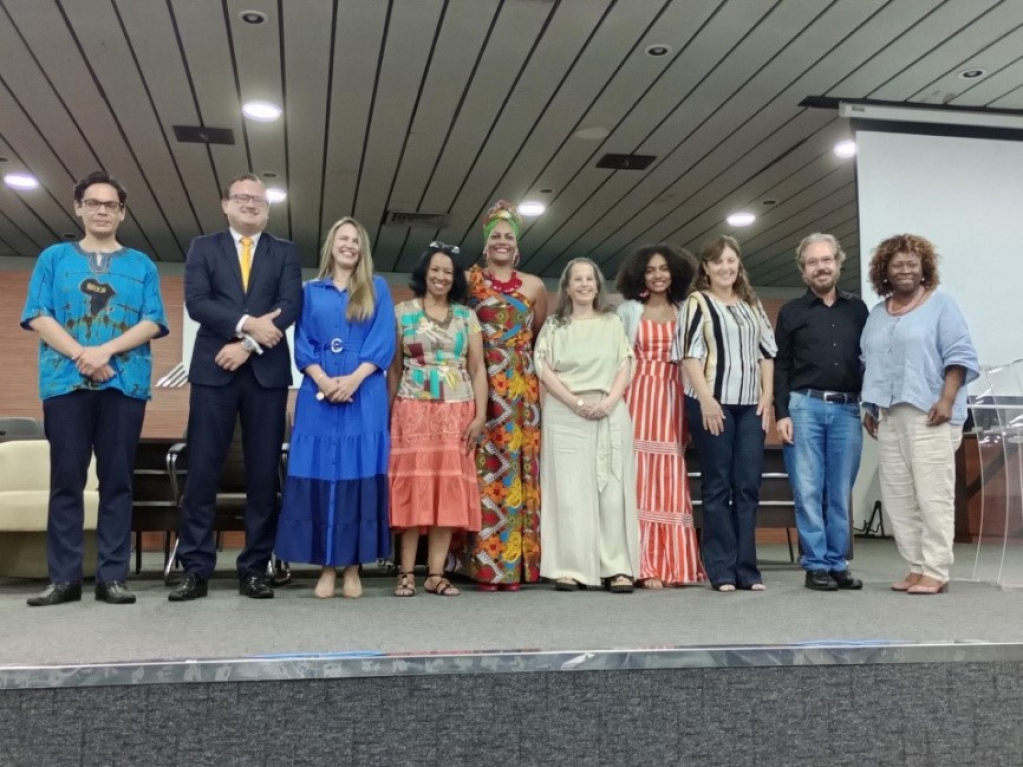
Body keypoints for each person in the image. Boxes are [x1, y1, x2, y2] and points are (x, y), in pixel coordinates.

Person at [20, 170, 168, 607]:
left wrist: (104, 352)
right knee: (66, 480)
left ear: (121, 213)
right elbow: (38, 315)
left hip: (125, 387)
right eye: (94, 203)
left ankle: (112, 577)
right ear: (79, 208)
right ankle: (64, 579)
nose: (102, 210)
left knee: (117, 481)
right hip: (64, 385)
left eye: (111, 205)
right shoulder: (53, 258)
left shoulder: (141, 265)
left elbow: (152, 320)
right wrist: (83, 355)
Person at [170, 173, 302, 601]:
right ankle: (195, 567)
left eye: (259, 200)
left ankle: (255, 568)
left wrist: (246, 344)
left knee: (264, 473)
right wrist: (246, 324)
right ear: (225, 204)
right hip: (214, 373)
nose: (250, 205)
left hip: (265, 374)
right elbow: (198, 302)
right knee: (203, 469)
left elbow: (291, 305)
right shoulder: (203, 248)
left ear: (267, 209)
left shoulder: (284, 251)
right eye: (242, 198)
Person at [275, 218, 394, 599]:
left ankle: (354, 568)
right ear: (331, 245)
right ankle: (326, 568)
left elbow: (383, 341)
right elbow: (303, 343)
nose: (349, 245)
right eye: (342, 238)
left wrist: (353, 380)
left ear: (362, 249)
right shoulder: (309, 291)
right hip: (318, 393)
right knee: (322, 474)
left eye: (355, 240)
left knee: (358, 474)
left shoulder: (377, 288)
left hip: (365, 391)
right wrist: (326, 381)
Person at [861, 234, 978, 595]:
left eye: (913, 263)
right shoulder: (879, 313)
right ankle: (915, 565)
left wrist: (946, 399)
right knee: (898, 497)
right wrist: (869, 406)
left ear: (925, 267)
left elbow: (959, 354)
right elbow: (869, 362)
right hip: (890, 416)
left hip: (931, 414)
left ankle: (936, 569)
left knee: (933, 496)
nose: (906, 270)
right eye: (897, 264)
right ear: (885, 271)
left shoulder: (942, 305)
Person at [678, 235, 776, 593]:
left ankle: (747, 569)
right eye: (717, 261)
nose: (725, 267)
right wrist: (705, 399)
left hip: (751, 404)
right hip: (712, 403)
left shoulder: (751, 303)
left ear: (738, 265)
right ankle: (721, 568)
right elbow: (688, 355)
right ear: (706, 267)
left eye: (731, 260)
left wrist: (767, 396)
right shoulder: (697, 303)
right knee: (717, 484)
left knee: (748, 484)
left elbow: (767, 351)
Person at [388, 243, 487, 597]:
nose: (441, 276)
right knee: (414, 490)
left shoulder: (466, 317)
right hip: (412, 409)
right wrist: (389, 415)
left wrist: (480, 414)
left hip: (456, 411)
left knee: (447, 492)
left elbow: (477, 368)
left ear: (455, 278)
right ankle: (405, 573)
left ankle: (434, 574)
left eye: (448, 271)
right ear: (424, 273)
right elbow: (395, 367)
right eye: (435, 270)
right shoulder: (402, 312)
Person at [535, 258, 638, 593]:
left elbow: (625, 363)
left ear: (597, 285)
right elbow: (543, 368)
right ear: (566, 287)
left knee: (611, 493)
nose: (583, 284)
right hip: (565, 414)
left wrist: (609, 402)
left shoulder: (612, 321)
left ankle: (616, 566)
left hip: (609, 410)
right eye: (576, 279)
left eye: (589, 279)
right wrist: (576, 403)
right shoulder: (554, 325)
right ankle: (569, 567)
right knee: (568, 494)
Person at [774, 234, 869, 592]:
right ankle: (816, 564)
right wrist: (781, 413)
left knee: (840, 489)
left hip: (847, 409)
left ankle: (838, 563)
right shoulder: (792, 312)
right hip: (803, 407)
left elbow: (868, 360)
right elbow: (780, 365)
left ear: (838, 263)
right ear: (803, 270)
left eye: (827, 259)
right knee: (808, 489)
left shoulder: (857, 310)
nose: (821, 267)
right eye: (812, 262)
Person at [465, 200, 547, 591]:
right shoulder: (468, 282)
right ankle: (481, 566)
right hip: (480, 384)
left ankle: (514, 566)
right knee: (481, 474)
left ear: (517, 246)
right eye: (494, 236)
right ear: (485, 245)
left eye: (508, 237)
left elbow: (540, 331)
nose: (501, 241)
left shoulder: (534, 285)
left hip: (520, 391)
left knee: (516, 472)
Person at [615, 244, 704, 588]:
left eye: (663, 269)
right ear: (640, 275)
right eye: (650, 270)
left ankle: (674, 564)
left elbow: (694, 360)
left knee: (669, 475)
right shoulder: (628, 311)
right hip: (637, 395)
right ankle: (643, 564)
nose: (657, 275)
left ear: (675, 273)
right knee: (637, 478)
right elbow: (619, 359)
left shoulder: (685, 310)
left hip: (673, 397)